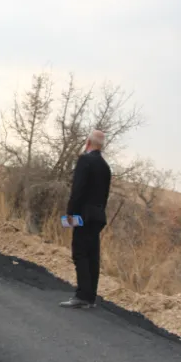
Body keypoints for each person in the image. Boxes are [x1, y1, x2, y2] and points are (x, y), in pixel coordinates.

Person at [60, 130, 112, 309]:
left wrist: (70, 213)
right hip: (98, 216)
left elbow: (78, 189)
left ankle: (82, 296)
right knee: (92, 255)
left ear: (88, 142)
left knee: (80, 253)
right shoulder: (105, 167)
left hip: (83, 215)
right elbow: (104, 195)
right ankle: (90, 297)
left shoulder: (85, 160)